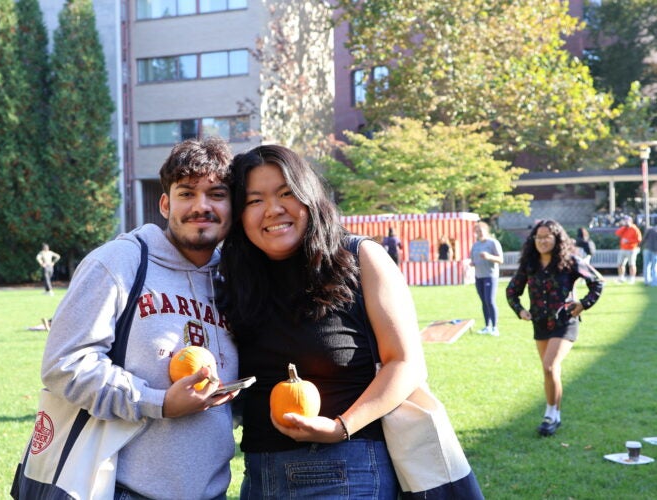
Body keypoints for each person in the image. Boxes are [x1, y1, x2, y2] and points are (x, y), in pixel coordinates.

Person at [219, 145, 483, 499]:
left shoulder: (359, 258)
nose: (273, 209)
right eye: (254, 201)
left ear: (310, 197)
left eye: (286, 193)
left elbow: (405, 363)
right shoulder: (235, 277)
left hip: (347, 471)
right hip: (258, 476)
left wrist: (340, 427)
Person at [39, 137, 239, 499]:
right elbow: (64, 363)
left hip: (213, 491)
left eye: (217, 194)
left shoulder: (233, 282)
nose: (202, 206)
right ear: (165, 204)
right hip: (121, 489)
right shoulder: (119, 262)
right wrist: (157, 402)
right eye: (187, 193)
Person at [506, 220, 603, 437]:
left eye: (546, 236)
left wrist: (583, 304)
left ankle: (550, 415)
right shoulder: (529, 265)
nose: (542, 241)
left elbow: (597, 282)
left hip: (565, 322)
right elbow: (512, 291)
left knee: (550, 366)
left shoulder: (570, 262)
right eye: (538, 237)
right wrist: (520, 311)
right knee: (549, 370)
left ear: (557, 238)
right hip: (540, 323)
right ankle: (555, 413)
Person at [469, 221, 503, 336]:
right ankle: (487, 326)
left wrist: (489, 257)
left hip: (490, 276)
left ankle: (495, 327)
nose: (479, 233)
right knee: (483, 301)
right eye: (476, 231)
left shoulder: (493, 243)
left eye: (481, 230)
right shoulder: (475, 245)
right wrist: (472, 263)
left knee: (490, 300)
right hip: (479, 276)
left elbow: (500, 259)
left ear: (486, 230)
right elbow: (473, 259)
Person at [615, 215, 642, 283]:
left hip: (631, 249)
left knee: (632, 264)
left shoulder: (635, 229)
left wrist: (629, 241)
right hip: (623, 249)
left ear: (630, 221)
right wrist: (624, 227)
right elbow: (617, 233)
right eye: (625, 220)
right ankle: (621, 277)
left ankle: (632, 278)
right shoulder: (624, 228)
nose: (626, 222)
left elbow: (639, 239)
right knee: (620, 264)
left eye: (627, 220)